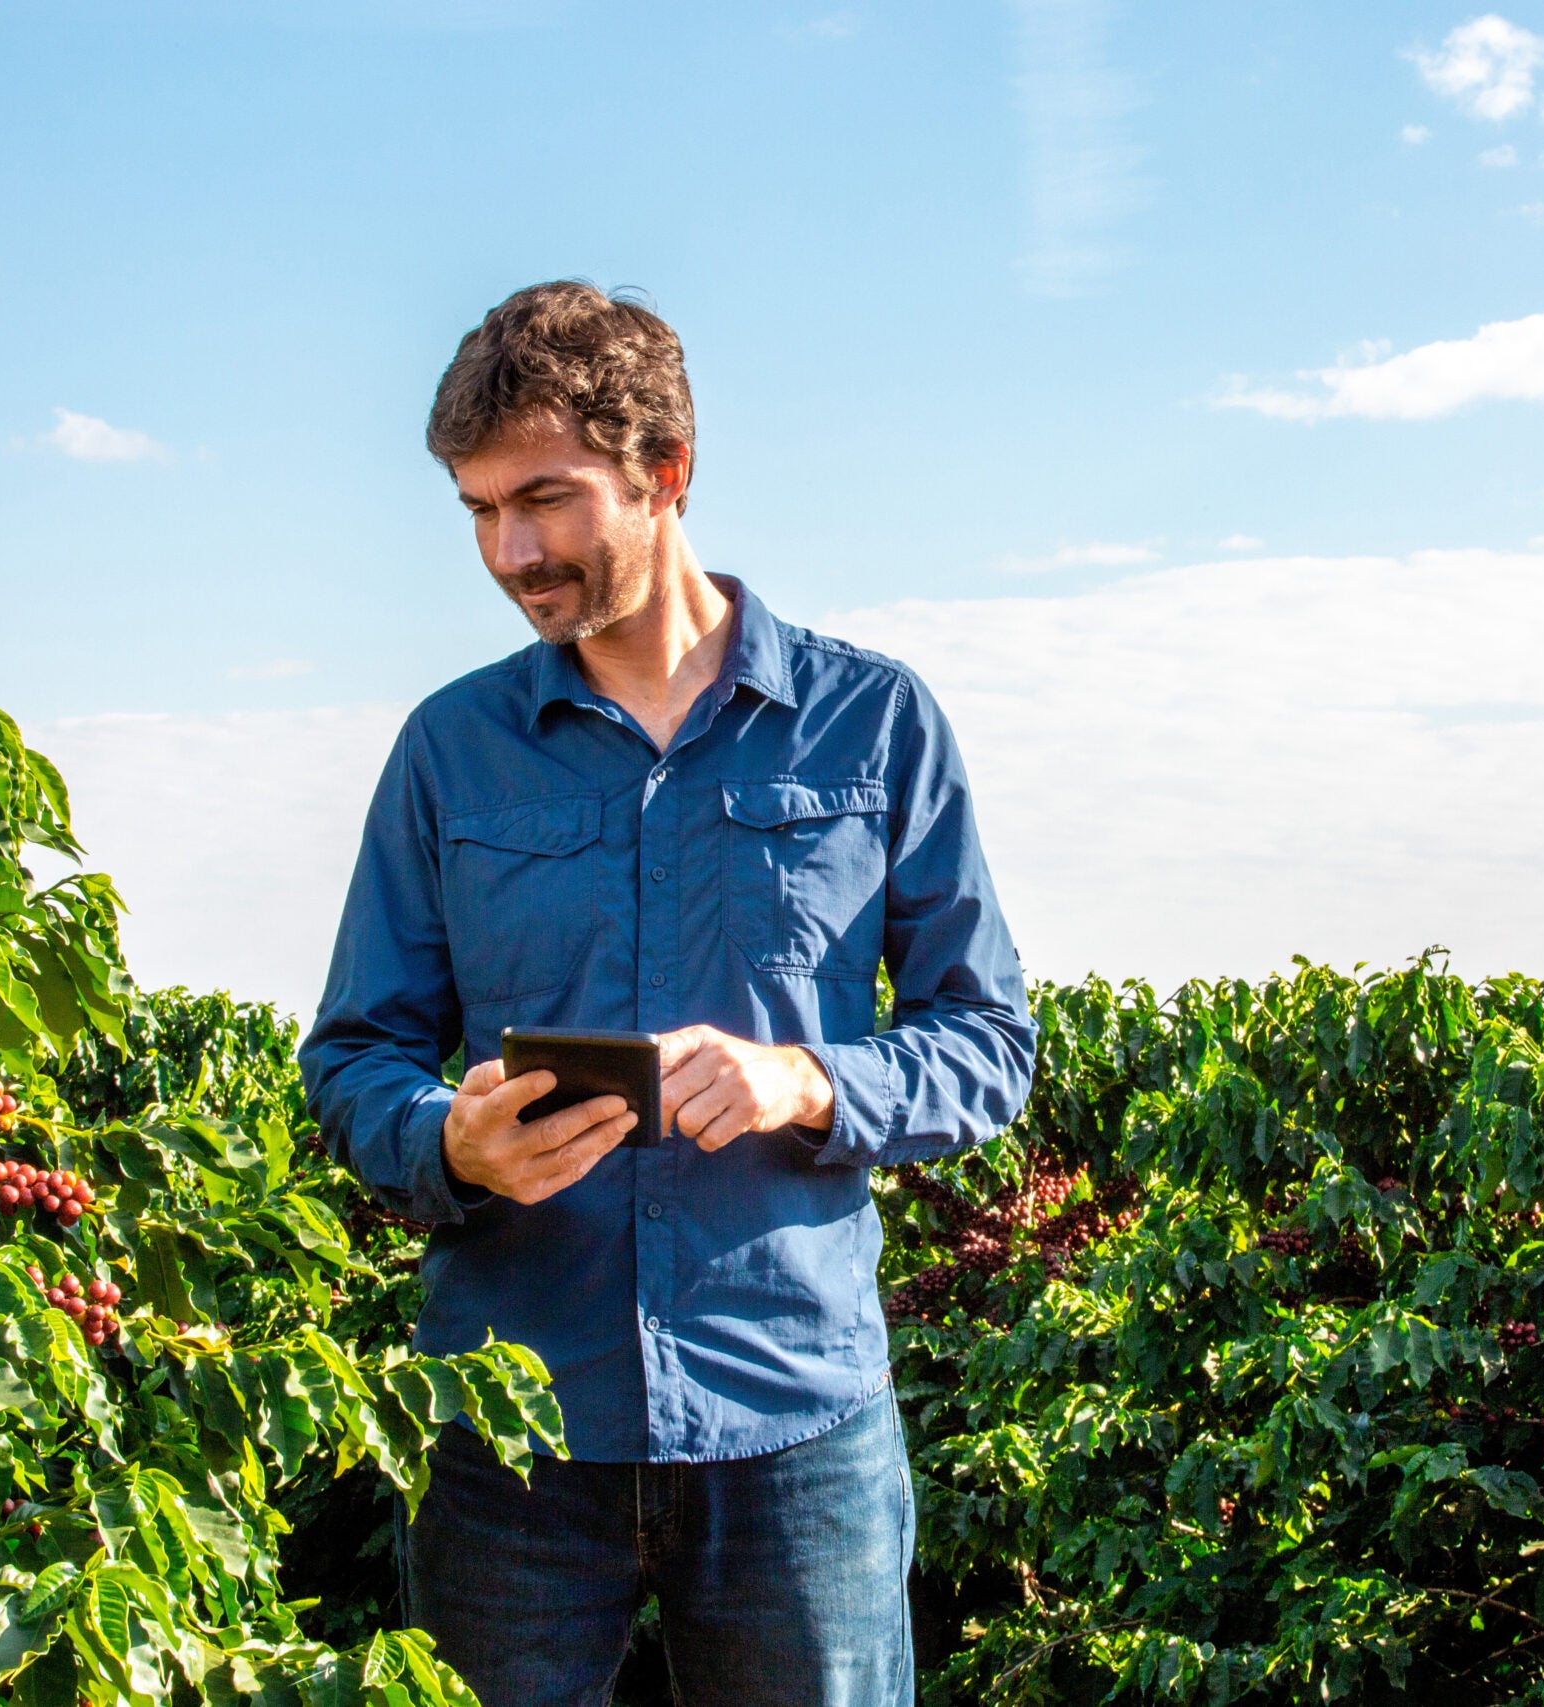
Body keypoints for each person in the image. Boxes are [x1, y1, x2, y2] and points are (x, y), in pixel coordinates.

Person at [299, 280, 1034, 1707]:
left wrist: (810, 1080)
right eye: (478, 510)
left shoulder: (874, 722)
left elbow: (989, 1041)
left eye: (547, 500)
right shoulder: (449, 749)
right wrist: (446, 1139)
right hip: (509, 1427)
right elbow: (355, 1054)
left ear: (667, 472)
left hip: (796, 1421)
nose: (512, 552)